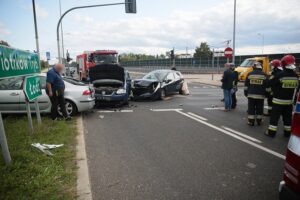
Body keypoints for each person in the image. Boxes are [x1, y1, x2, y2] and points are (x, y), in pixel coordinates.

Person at [266, 55, 299, 137]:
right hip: (289, 103)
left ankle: (271, 133)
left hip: (278, 101)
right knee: (287, 118)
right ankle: (287, 133)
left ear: (283, 64)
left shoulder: (280, 75)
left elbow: (270, 84)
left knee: (274, 118)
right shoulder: (296, 76)